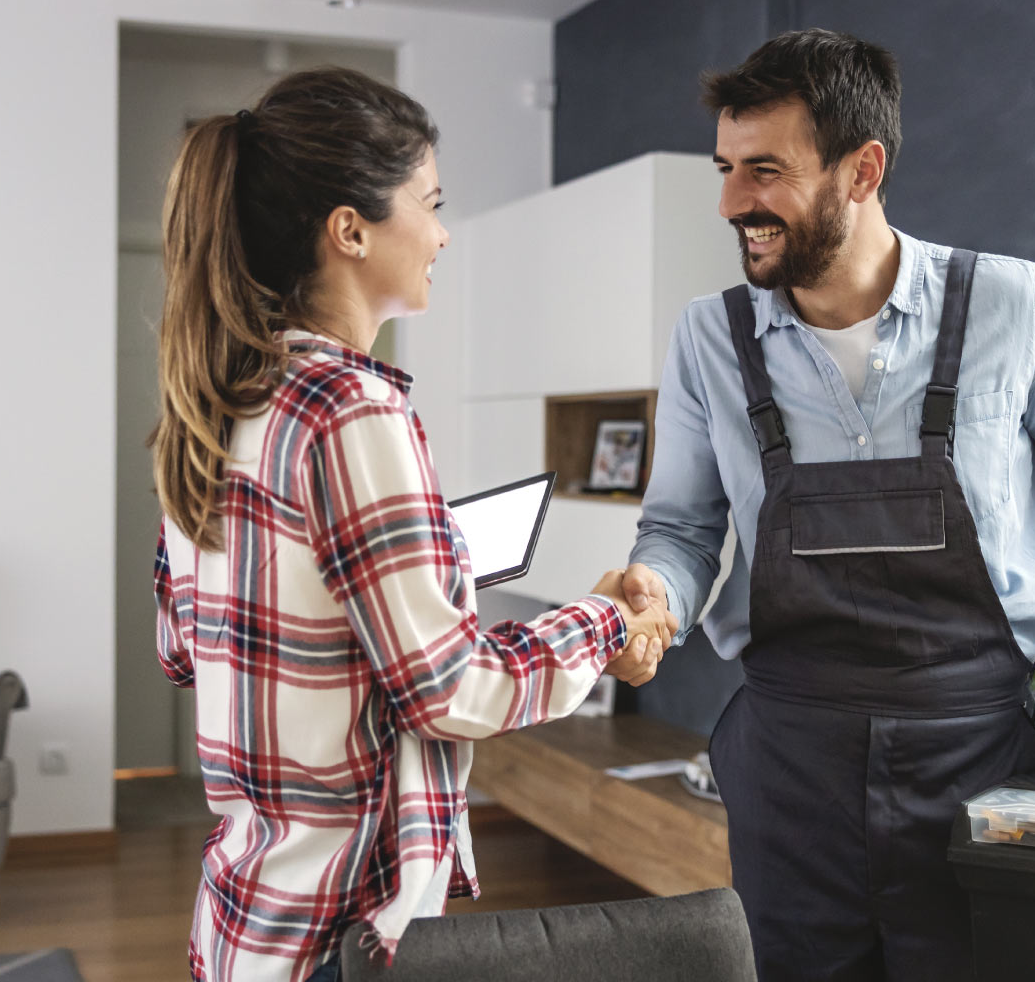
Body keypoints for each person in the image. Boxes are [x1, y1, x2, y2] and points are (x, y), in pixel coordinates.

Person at [613, 30, 1035, 980]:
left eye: (764, 170)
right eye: (724, 169)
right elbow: (682, 528)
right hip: (787, 768)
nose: (730, 202)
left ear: (862, 169)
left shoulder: (1012, 307)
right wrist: (654, 595)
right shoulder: (710, 337)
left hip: (978, 764)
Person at [148, 67, 676, 982]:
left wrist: (412, 579)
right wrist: (605, 626)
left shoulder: (219, 404)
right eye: (430, 204)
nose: (440, 233)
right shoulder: (350, 410)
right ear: (349, 229)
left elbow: (186, 646)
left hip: (243, 921)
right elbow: (449, 693)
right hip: (338, 940)